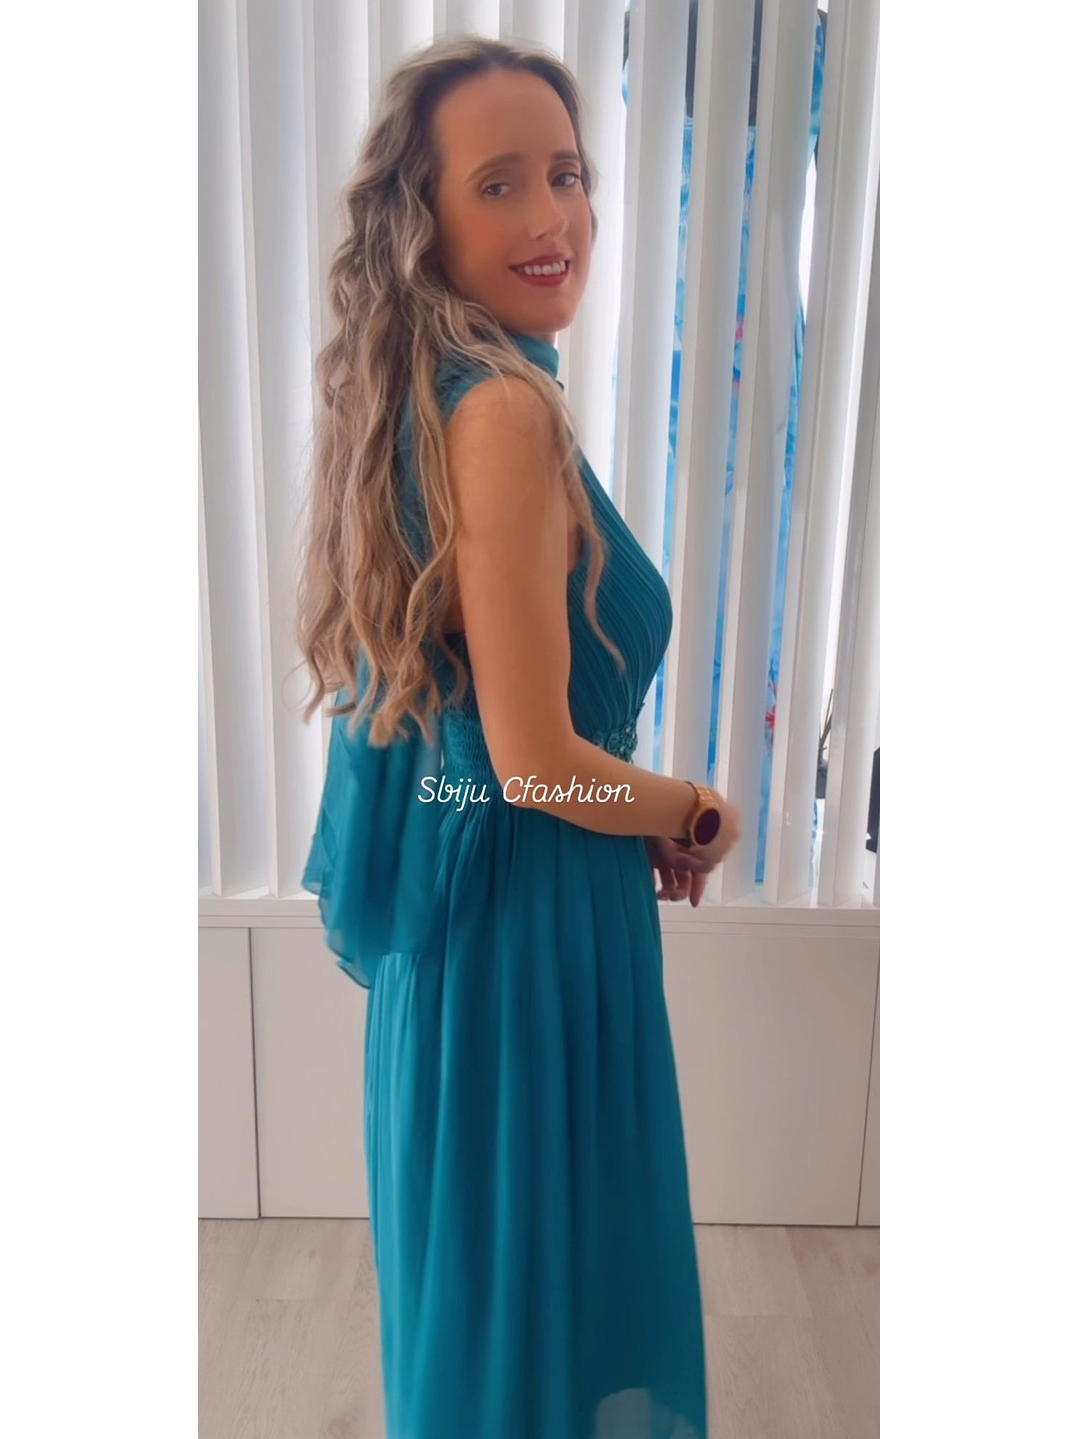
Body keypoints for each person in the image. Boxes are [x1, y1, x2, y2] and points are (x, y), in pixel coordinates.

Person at [295, 33, 741, 1439]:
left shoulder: (427, 394)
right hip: (524, 933)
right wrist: (690, 806)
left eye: (568, 173)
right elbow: (538, 759)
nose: (554, 216)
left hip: (477, 922)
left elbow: (484, 745)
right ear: (425, 222)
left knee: (501, 1311)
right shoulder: (500, 411)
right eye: (499, 183)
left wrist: (625, 812)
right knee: (536, 1318)